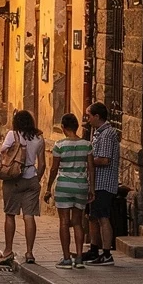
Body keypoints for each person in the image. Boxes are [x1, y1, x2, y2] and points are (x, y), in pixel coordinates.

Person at [0, 110, 46, 266]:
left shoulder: (13, 134)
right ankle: (30, 252)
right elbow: (42, 163)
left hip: (13, 179)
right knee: (29, 216)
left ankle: (8, 250)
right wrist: (36, 178)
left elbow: (2, 152)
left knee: (10, 214)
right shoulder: (39, 137)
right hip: (31, 177)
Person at [45, 113, 90, 268]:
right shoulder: (87, 145)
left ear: (63, 127)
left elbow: (54, 168)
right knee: (78, 222)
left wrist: (48, 187)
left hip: (64, 185)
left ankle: (66, 258)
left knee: (64, 222)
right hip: (81, 185)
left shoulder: (59, 145)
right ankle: (79, 258)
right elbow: (91, 168)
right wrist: (92, 188)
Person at [83, 103, 120, 265]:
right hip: (95, 182)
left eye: (89, 116)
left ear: (97, 116)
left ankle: (106, 253)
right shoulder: (99, 133)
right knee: (93, 217)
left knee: (103, 217)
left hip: (103, 183)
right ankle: (94, 249)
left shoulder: (106, 135)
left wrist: (86, 160)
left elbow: (104, 159)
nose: (87, 119)